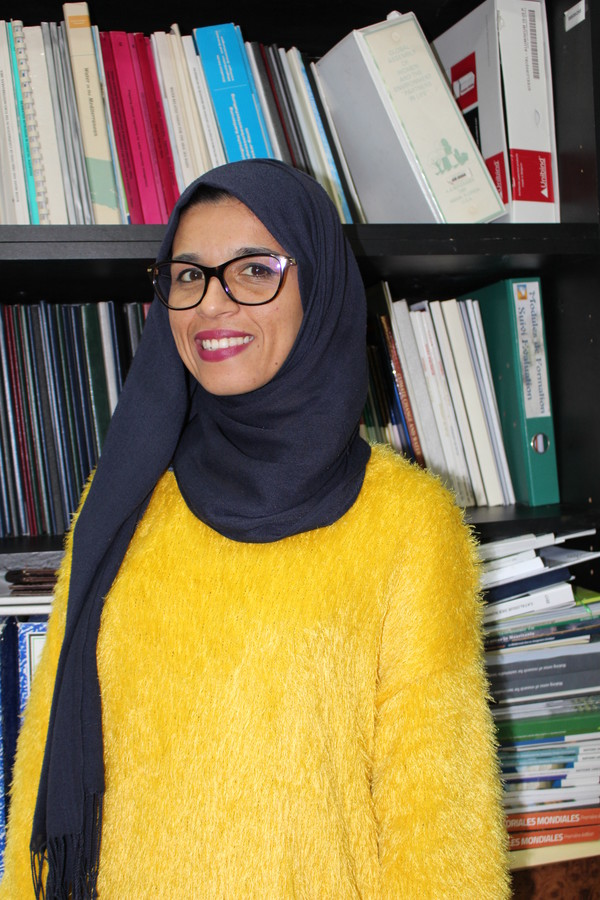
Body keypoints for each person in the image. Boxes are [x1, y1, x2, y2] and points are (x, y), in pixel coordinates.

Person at [0, 159, 509, 899]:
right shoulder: (123, 499)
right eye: (188, 275)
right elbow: (47, 755)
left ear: (318, 286)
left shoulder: (409, 523)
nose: (212, 303)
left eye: (254, 270)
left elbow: (440, 822)